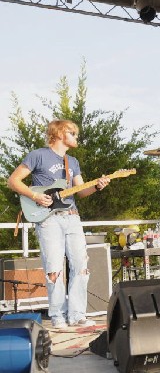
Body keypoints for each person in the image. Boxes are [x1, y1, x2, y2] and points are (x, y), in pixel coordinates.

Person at [7, 119, 110, 328]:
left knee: (81, 266)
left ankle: (77, 314)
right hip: (48, 219)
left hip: (72, 217)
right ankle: (57, 316)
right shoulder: (38, 155)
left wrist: (98, 187)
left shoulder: (72, 162)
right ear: (61, 133)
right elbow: (13, 181)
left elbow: (80, 191)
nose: (76, 137)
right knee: (54, 268)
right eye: (73, 133)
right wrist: (34, 197)